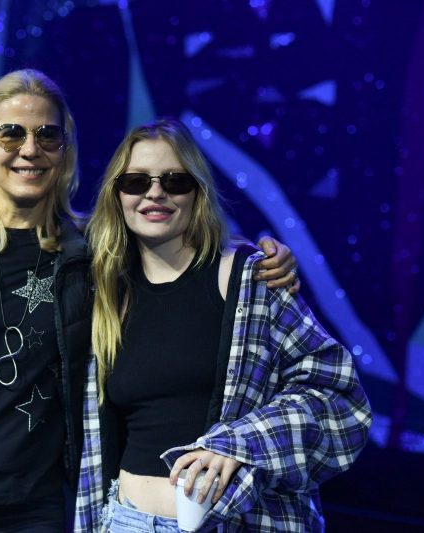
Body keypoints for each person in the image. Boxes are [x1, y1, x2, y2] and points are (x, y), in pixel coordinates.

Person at [0, 70, 298, 532]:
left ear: (64, 150)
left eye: (47, 135)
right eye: (11, 133)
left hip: (34, 509)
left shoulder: (95, 251)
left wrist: (258, 255)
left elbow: (177, 240)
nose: (29, 149)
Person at [74, 118, 372, 532]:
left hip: (239, 522)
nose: (154, 193)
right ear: (116, 194)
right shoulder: (103, 287)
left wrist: (241, 445)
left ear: (198, 192)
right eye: (136, 182)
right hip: (124, 521)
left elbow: (337, 396)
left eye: (175, 181)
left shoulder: (252, 278)